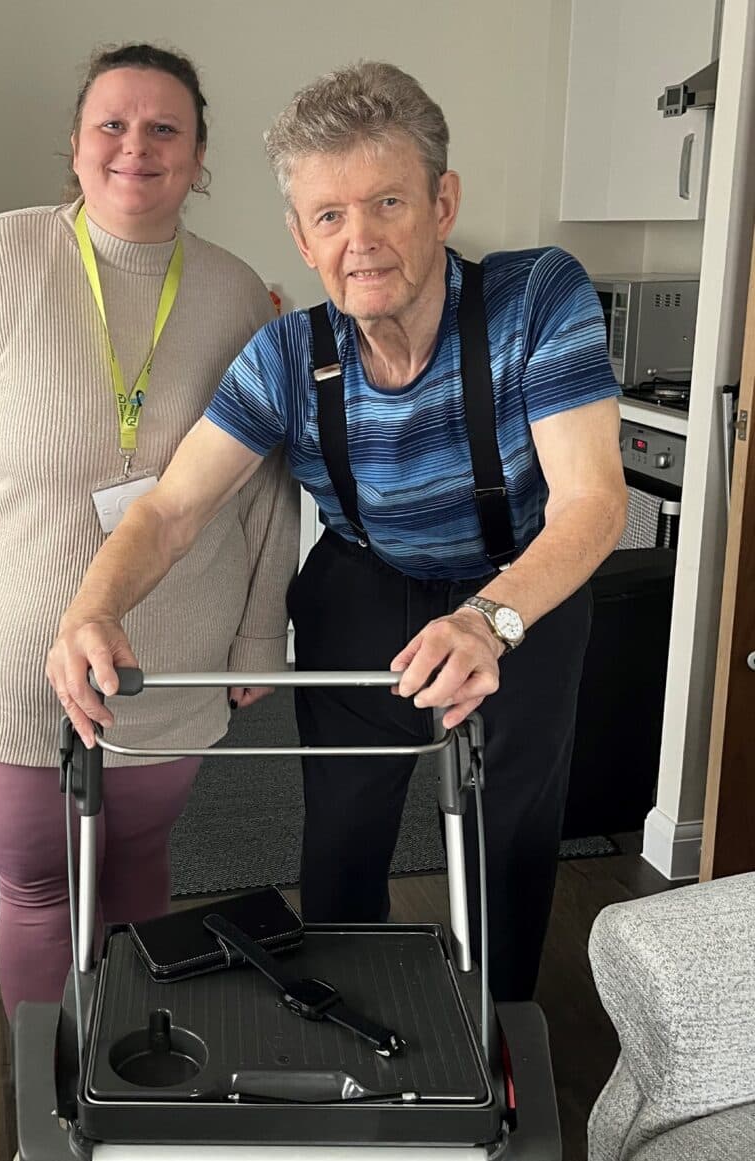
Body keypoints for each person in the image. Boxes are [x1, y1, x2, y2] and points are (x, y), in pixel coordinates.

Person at [46, 61, 627, 1003]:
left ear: (442, 203)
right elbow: (171, 507)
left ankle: (500, 1036)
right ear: (300, 236)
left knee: (507, 831)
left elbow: (594, 502)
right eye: (328, 216)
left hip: (523, 588)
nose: (359, 242)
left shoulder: (536, 301)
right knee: (345, 836)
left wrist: (489, 622)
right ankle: (347, 1035)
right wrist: (93, 605)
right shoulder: (287, 355)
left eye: (386, 202)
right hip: (366, 584)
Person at [0, 43, 298, 1021]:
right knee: (34, 886)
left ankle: (128, 1068)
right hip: (12, 655)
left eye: (164, 129)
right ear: (72, 144)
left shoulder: (239, 293)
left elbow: (269, 479)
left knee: (141, 864)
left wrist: (257, 631)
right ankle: (47, 1095)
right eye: (111, 123)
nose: (134, 148)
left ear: (199, 158)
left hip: (177, 653)